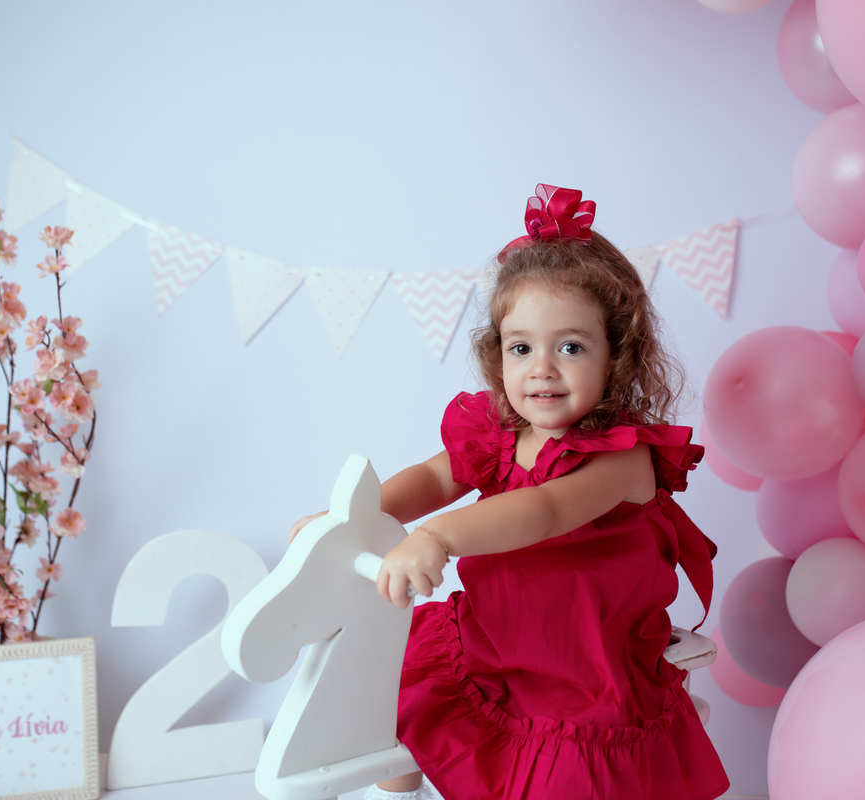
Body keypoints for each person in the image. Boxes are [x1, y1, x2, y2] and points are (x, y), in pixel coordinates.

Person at [289, 185, 730, 800]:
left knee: (561, 775)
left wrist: (438, 536)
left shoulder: (623, 457)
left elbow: (545, 510)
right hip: (492, 639)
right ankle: (399, 793)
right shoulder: (499, 432)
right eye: (521, 347)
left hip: (582, 664)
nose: (542, 367)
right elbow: (435, 477)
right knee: (387, 690)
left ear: (617, 357)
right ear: (498, 356)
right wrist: (353, 518)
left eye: (570, 347)